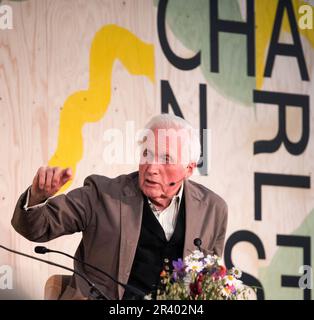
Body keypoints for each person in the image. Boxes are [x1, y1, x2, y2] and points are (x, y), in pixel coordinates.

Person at [11, 114, 228, 300]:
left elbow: (210, 283)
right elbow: (36, 228)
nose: (152, 167)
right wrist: (37, 197)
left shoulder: (212, 210)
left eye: (166, 159)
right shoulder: (102, 194)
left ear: (188, 169)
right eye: (147, 154)